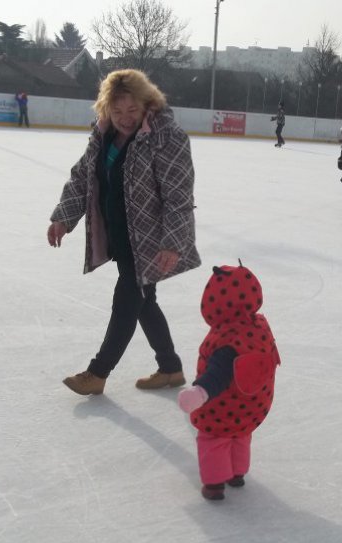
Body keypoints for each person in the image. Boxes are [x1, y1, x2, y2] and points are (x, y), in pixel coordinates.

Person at [47, 68, 201, 396]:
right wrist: (64, 217)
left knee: (127, 300)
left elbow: (179, 196)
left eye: (133, 110)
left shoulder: (166, 136)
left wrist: (173, 242)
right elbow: (82, 178)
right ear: (106, 109)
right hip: (120, 234)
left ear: (148, 104)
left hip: (151, 241)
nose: (125, 118)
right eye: (117, 111)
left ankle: (98, 372)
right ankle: (170, 368)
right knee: (144, 302)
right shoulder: (103, 134)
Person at [177, 262, 280, 501]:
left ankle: (214, 484)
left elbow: (218, 375)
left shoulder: (227, 340)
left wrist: (199, 392)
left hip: (224, 405)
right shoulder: (259, 326)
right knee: (240, 435)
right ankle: (237, 473)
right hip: (254, 402)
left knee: (214, 438)